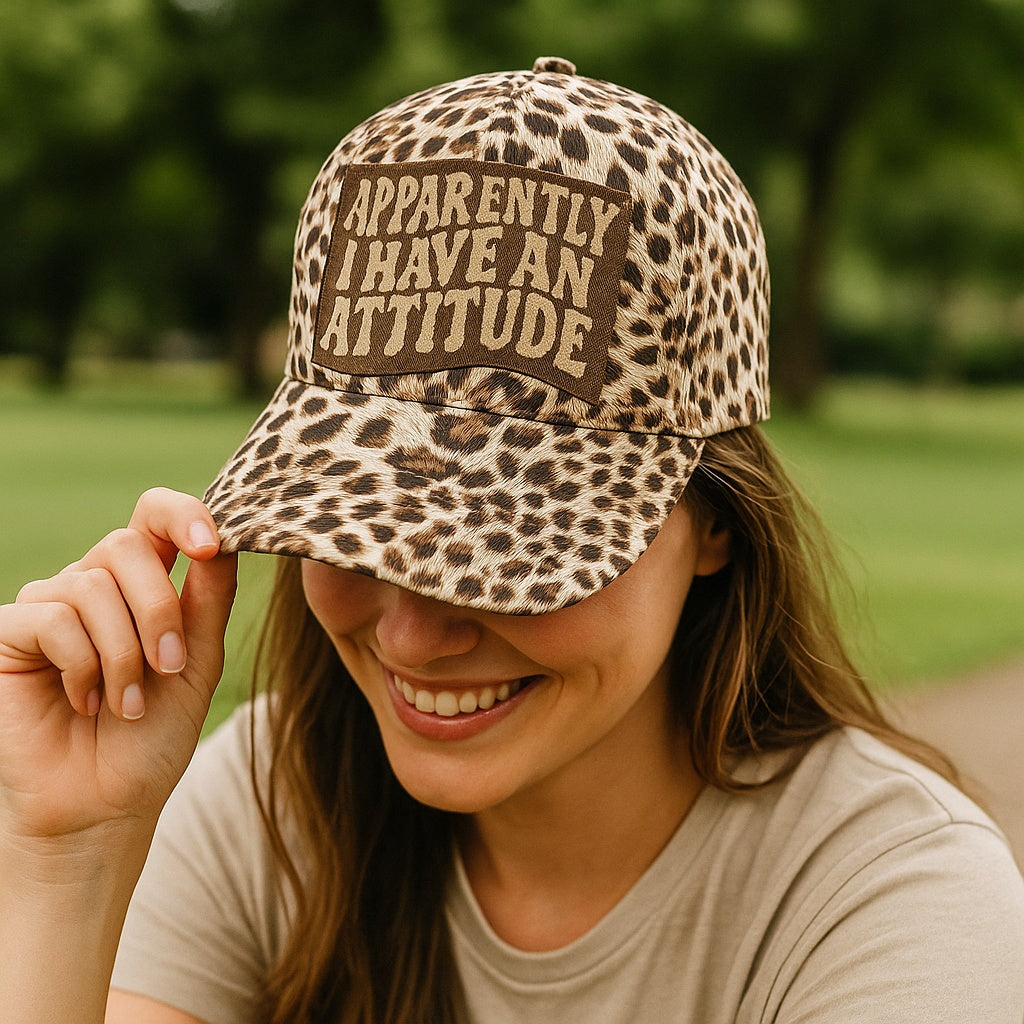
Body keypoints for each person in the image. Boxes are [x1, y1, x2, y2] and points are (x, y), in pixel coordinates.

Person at [1, 57, 1022, 1024]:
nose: (411, 631)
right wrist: (69, 861)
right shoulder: (269, 804)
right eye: (358, 524)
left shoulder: (888, 898)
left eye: (509, 549)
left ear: (713, 523)